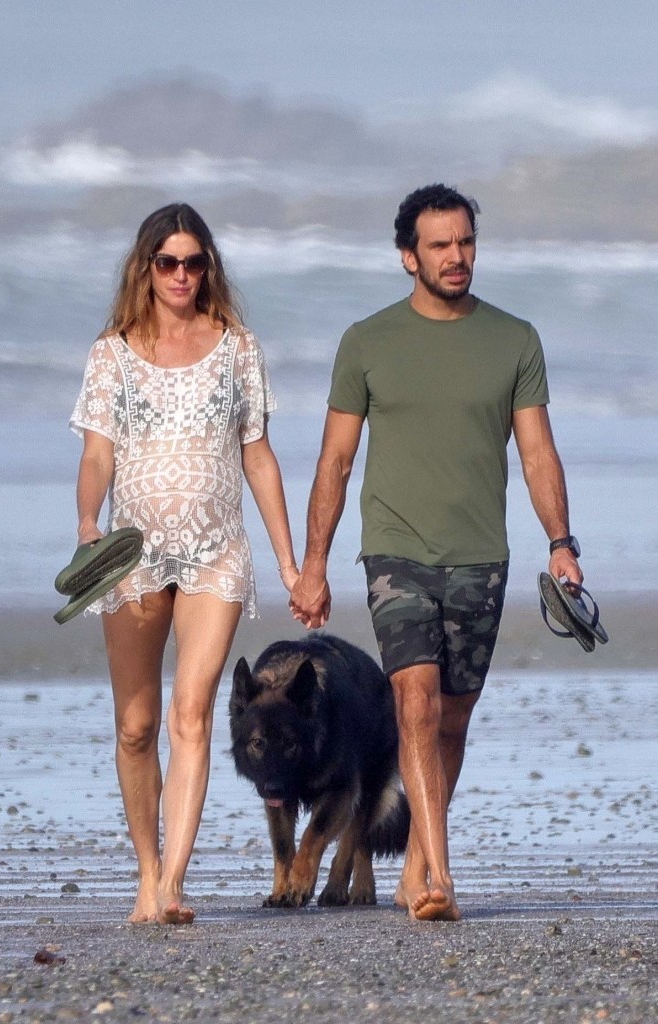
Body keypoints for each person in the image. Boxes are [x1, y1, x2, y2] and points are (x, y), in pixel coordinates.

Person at [289, 184, 583, 922]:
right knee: (412, 702)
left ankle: (416, 861)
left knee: (451, 718)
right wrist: (315, 563)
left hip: (481, 555)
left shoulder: (514, 339)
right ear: (406, 257)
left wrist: (561, 544)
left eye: (465, 243)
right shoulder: (367, 340)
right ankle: (440, 880)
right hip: (395, 550)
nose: (456, 257)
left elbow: (537, 451)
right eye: (439, 245)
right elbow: (334, 462)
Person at [69, 203, 299, 924]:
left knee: (191, 711)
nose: (181, 275)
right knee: (136, 725)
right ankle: (144, 870)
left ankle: (172, 886)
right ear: (146, 267)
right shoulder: (111, 351)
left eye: (193, 262)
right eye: (167, 262)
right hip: (130, 555)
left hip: (215, 550)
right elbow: (97, 453)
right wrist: (85, 523)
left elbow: (257, 456)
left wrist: (291, 564)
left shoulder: (237, 347)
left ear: (208, 268)